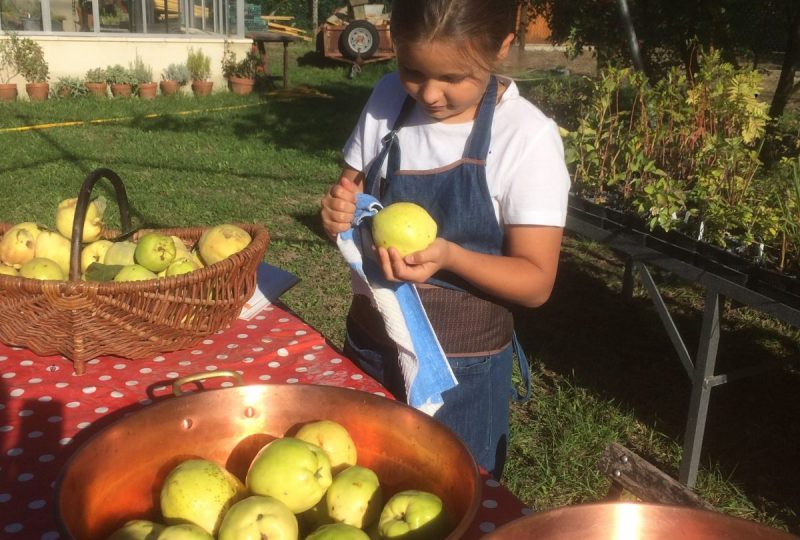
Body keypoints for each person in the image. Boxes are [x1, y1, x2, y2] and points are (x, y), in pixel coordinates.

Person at [320, 0, 570, 478]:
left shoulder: (526, 138)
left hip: (463, 370)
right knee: (353, 482)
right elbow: (348, 195)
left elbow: (536, 282)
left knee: (447, 497)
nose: (430, 94)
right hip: (372, 342)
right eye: (413, 70)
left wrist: (451, 256)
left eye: (455, 78)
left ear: (501, 47)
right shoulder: (388, 100)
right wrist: (336, 212)